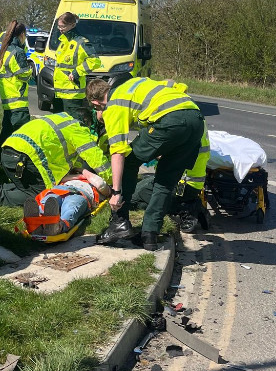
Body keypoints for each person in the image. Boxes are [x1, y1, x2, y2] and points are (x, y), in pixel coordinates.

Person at [87, 76, 205, 251]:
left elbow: (118, 152)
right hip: (196, 120)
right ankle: (149, 235)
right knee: (165, 182)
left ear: (96, 103)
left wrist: (117, 192)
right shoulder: (134, 84)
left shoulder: (113, 105)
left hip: (170, 121)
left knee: (128, 163)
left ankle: (119, 222)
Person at [0, 111, 112, 207]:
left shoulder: (62, 119)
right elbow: (97, 161)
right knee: (42, 195)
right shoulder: (78, 131)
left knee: (29, 187)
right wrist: (113, 184)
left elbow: (75, 161)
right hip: (23, 158)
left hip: (9, 152)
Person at [50, 12, 101, 123]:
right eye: (58, 26)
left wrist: (77, 72)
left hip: (72, 94)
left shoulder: (81, 42)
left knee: (74, 125)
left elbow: (95, 61)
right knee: (59, 125)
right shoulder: (63, 42)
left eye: (63, 26)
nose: (60, 29)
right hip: (59, 93)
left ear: (72, 25)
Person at [0, 20, 32, 155]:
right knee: (22, 137)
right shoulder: (17, 52)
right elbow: (25, 75)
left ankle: (3, 159)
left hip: (8, 102)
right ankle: (18, 163)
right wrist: (30, 69)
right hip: (18, 103)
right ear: (22, 34)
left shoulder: (4, 51)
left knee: (6, 134)